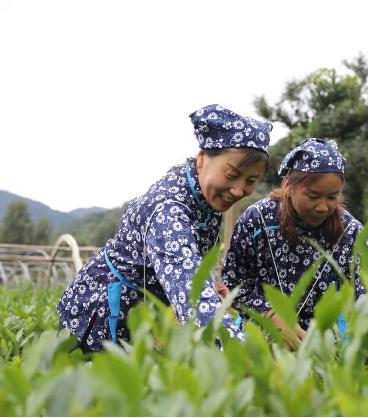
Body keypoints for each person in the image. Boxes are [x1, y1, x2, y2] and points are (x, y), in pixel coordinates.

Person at [57, 104, 272, 352]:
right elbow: (193, 296)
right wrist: (246, 357)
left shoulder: (204, 197)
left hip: (149, 313)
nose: (238, 190)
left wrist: (211, 283)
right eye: (231, 174)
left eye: (251, 181)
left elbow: (193, 268)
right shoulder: (167, 210)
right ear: (202, 158)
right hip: (103, 315)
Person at [221, 138, 368, 361]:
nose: (322, 206)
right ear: (289, 186)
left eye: (332, 197)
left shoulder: (350, 232)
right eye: (313, 196)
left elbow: (367, 295)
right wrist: (269, 314)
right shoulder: (258, 220)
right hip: (261, 336)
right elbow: (235, 282)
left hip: (325, 346)